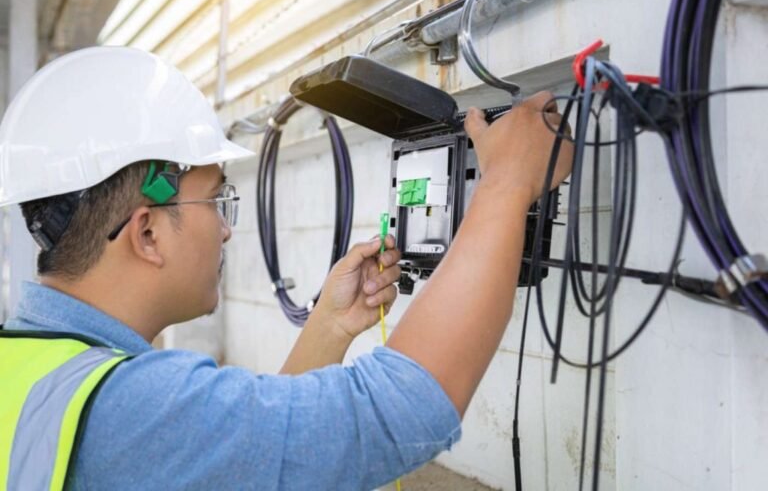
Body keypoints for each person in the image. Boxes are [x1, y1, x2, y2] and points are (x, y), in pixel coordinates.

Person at [0, 47, 572, 490]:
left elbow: (248, 460)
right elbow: (398, 411)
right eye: (217, 201)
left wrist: (330, 326)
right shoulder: (129, 407)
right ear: (147, 232)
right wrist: (507, 184)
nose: (226, 229)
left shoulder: (29, 371)